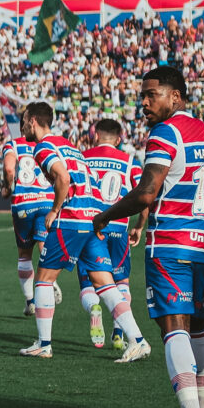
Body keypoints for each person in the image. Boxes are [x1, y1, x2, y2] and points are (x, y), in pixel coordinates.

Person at [95, 66, 204, 408]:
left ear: (177, 97)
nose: (144, 102)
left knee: (174, 328)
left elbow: (148, 192)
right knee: (198, 327)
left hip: (171, 243)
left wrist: (105, 215)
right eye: (142, 95)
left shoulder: (166, 132)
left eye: (153, 94)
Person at [20, 102, 148, 361]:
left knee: (44, 278)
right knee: (106, 284)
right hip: (92, 220)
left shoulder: (44, 147)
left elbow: (64, 179)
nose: (22, 127)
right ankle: (138, 340)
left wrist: (55, 209)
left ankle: (44, 343)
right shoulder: (72, 149)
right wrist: (98, 218)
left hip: (71, 220)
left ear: (33, 121)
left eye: (24, 121)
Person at [80, 120, 144, 349]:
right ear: (119, 140)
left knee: (89, 282)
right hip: (119, 229)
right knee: (121, 282)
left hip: (91, 229)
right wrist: (139, 225)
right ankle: (119, 332)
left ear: (96, 136)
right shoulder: (130, 163)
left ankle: (94, 307)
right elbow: (143, 196)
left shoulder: (83, 158)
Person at [1, 126, 54, 315]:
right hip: (47, 200)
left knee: (24, 254)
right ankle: (51, 281)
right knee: (43, 242)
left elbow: (9, 169)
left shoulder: (13, 145)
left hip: (24, 203)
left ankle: (30, 300)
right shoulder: (49, 145)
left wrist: (8, 186)